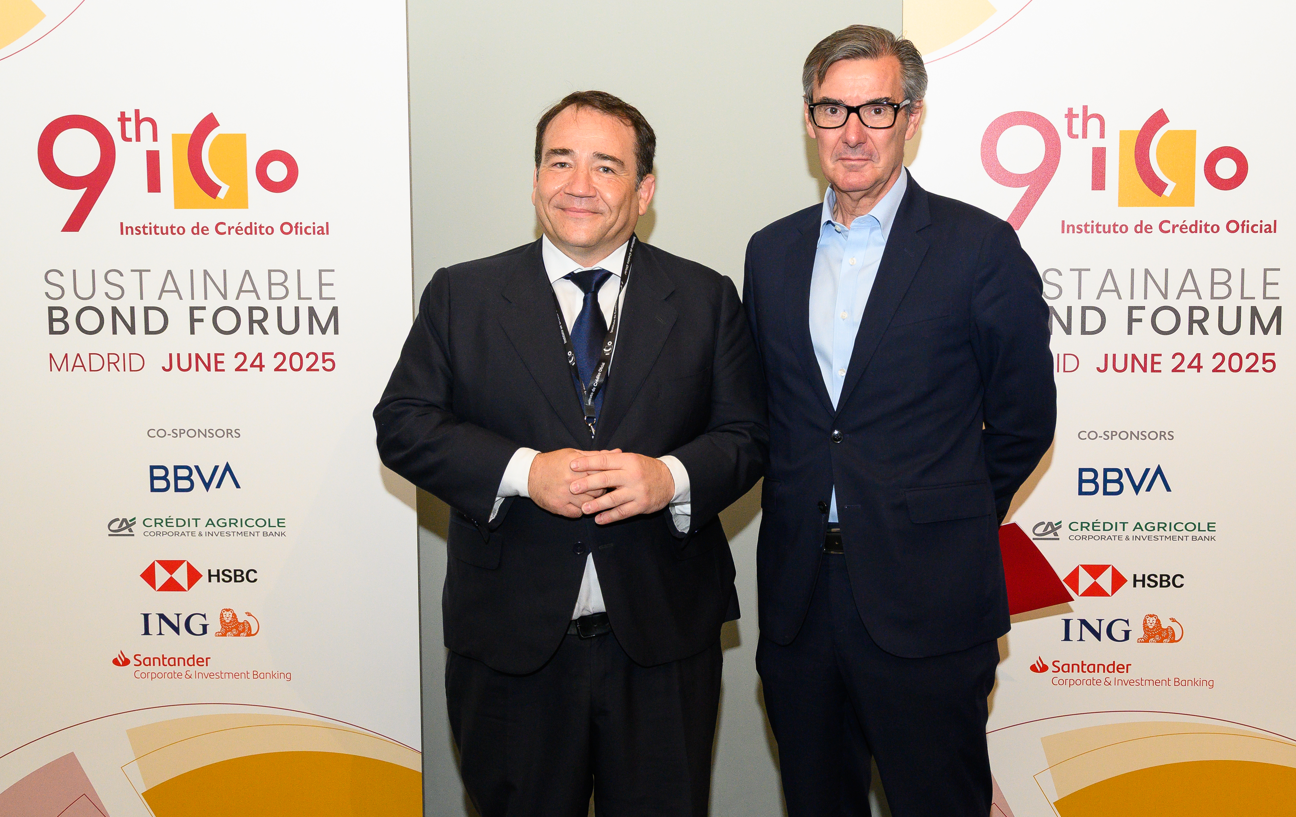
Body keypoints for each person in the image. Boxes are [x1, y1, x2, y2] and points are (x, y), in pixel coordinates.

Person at [375, 90, 766, 817]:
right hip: (511, 647)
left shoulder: (706, 298)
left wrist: (669, 479)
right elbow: (402, 423)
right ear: (534, 181)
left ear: (644, 191)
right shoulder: (462, 295)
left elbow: (748, 436)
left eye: (606, 166)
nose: (578, 184)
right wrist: (525, 472)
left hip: (662, 641)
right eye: (560, 161)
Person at [743, 26, 1055, 817]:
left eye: (876, 109)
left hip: (930, 598)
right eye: (833, 109)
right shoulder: (770, 253)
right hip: (800, 601)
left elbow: (1024, 419)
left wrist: (944, 513)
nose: (853, 132)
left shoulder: (979, 247)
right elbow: (772, 414)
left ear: (911, 118)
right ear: (809, 119)